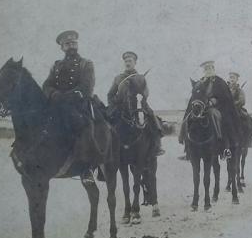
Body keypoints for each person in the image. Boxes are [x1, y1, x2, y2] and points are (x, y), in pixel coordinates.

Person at [42, 30, 96, 183]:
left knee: (84, 126)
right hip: (56, 103)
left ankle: (86, 168)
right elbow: (46, 84)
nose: (71, 46)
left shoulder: (86, 63)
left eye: (73, 43)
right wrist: (53, 94)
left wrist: (67, 97)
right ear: (62, 48)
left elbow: (87, 86)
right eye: (67, 44)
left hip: (77, 104)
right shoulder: (56, 65)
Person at [107, 51, 164, 156]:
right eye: (126, 61)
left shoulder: (140, 77)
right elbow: (110, 94)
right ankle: (107, 148)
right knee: (107, 122)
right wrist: (113, 103)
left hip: (138, 104)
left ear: (135, 63)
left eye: (130, 61)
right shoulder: (118, 78)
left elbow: (146, 92)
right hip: (121, 107)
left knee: (153, 117)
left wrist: (140, 99)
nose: (127, 63)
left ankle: (157, 145)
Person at [180, 61, 241, 158]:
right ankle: (187, 148)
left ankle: (224, 147)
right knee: (188, 118)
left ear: (213, 69)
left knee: (222, 119)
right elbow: (195, 95)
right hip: (201, 107)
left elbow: (226, 97)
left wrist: (214, 101)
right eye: (206, 69)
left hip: (218, 108)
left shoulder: (219, 82)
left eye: (210, 68)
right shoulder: (200, 82)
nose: (208, 70)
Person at [227, 71, 252, 148]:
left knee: (247, 119)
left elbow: (242, 101)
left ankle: (248, 140)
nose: (232, 79)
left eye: (234, 78)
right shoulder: (225, 89)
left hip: (237, 109)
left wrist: (234, 104)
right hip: (226, 109)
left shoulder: (240, 90)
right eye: (231, 77)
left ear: (237, 79)